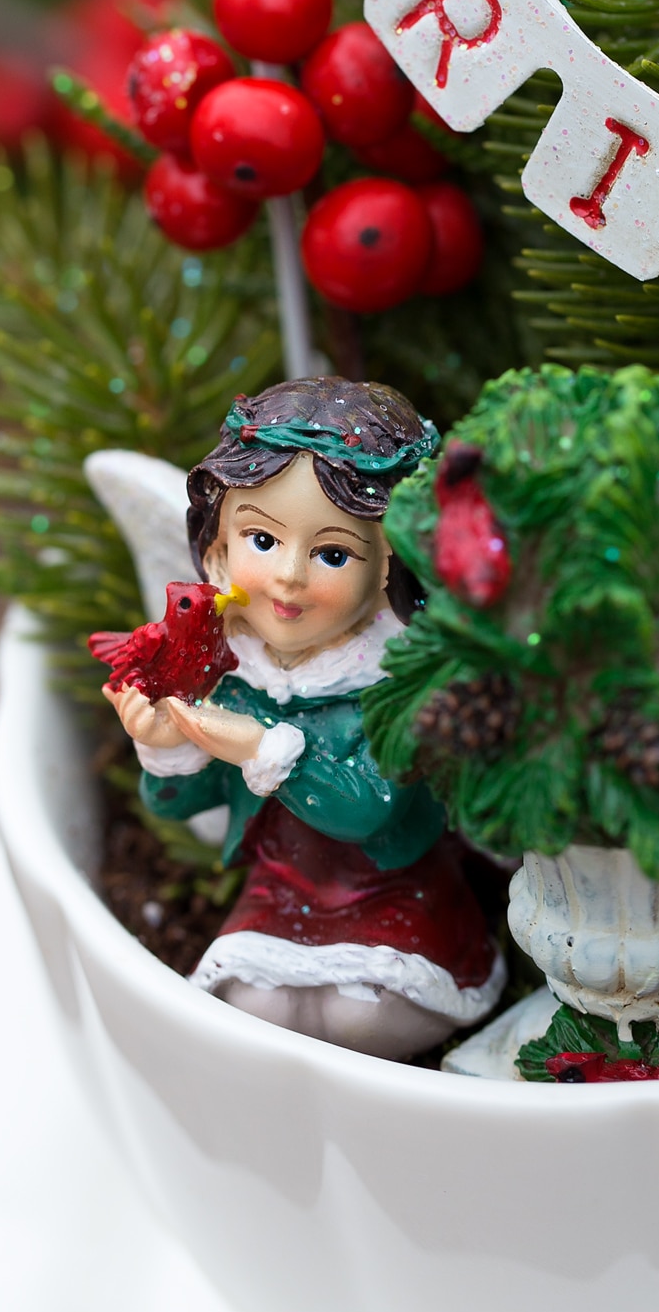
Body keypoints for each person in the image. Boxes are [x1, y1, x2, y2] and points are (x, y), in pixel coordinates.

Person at [104, 376, 504, 1060]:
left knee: (361, 1018)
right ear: (221, 549)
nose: (288, 577)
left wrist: (260, 745)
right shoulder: (231, 668)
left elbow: (366, 808)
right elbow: (181, 808)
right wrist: (165, 747)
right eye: (262, 540)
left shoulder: (400, 682)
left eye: (332, 553)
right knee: (257, 1005)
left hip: (393, 890)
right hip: (279, 893)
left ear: (386, 568)